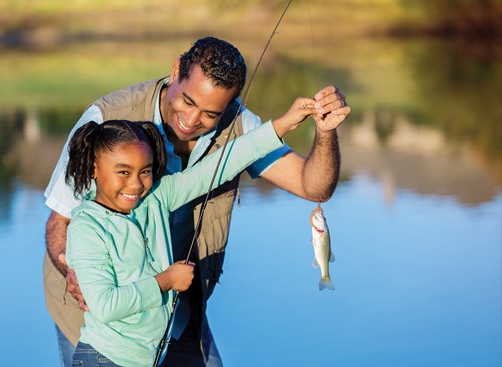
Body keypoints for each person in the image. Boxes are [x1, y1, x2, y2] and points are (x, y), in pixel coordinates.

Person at [43, 36, 350, 367]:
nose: (190, 120)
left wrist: (306, 126)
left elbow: (277, 174)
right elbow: (60, 222)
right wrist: (77, 274)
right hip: (103, 339)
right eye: (187, 102)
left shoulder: (160, 190)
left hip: (172, 316)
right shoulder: (106, 121)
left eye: (210, 113)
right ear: (175, 71)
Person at [65, 116, 311, 366]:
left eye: (145, 171)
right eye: (123, 172)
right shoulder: (87, 227)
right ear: (94, 168)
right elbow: (105, 306)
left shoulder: (157, 197)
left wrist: (281, 125)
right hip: (104, 359)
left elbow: (220, 166)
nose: (136, 184)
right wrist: (166, 281)